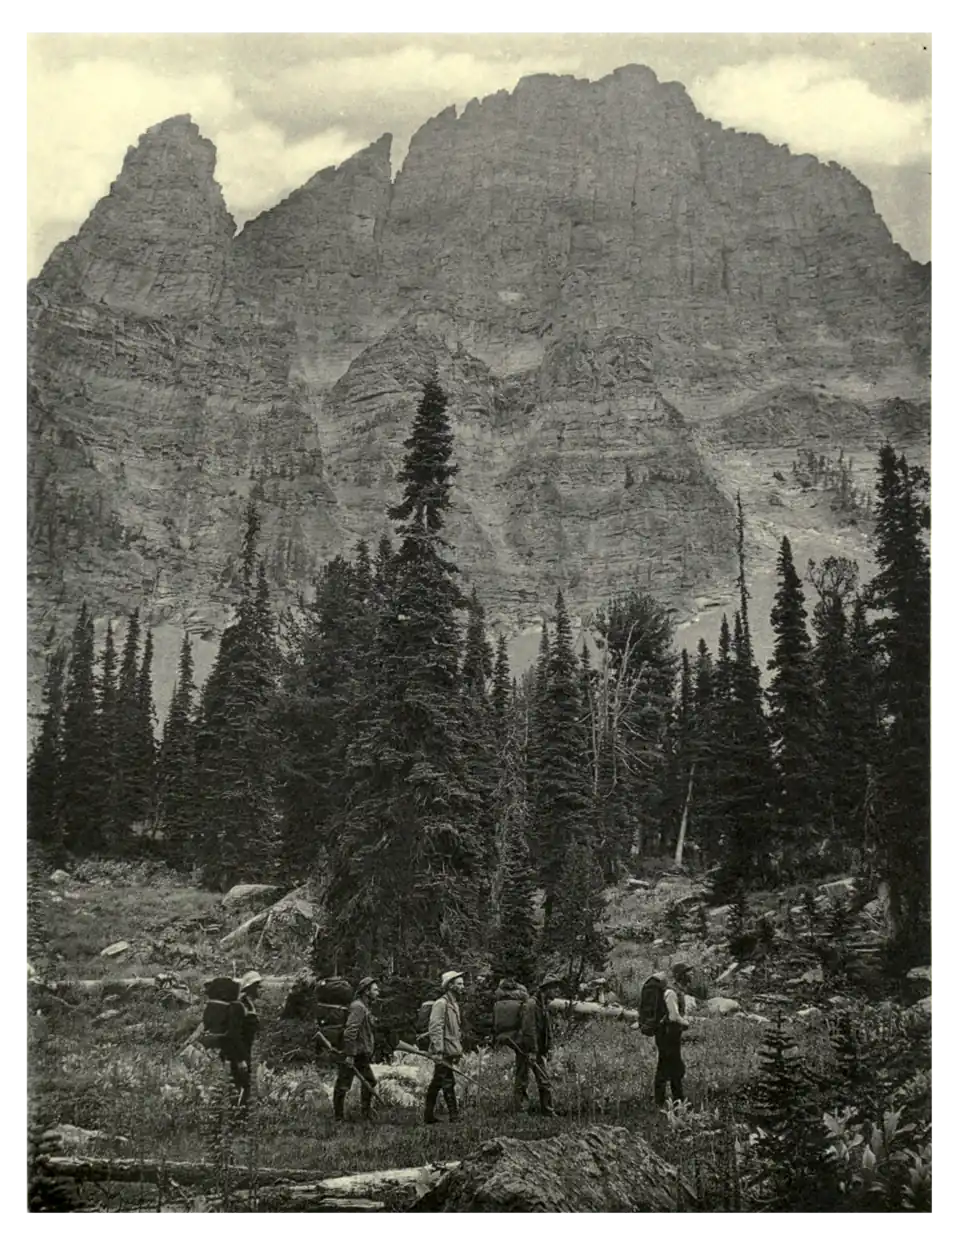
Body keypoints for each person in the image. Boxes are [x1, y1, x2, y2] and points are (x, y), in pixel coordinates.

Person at [333, 976, 380, 1124]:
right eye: (375, 990)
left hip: (360, 1054)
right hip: (353, 1054)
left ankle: (365, 1114)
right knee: (343, 1084)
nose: (378, 992)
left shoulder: (364, 1007)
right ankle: (339, 1117)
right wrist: (350, 1054)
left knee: (369, 1081)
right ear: (366, 991)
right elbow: (350, 1031)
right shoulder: (358, 1007)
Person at [514, 972, 562, 1116]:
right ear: (546, 989)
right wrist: (532, 1051)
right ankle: (521, 1112)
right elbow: (529, 1030)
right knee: (522, 1080)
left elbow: (546, 1030)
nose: (557, 992)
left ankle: (547, 1111)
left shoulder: (543, 1006)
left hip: (538, 1050)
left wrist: (549, 1048)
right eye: (554, 988)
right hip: (526, 1049)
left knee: (544, 1080)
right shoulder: (531, 1005)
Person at [424, 971, 465, 1125]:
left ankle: (428, 1115)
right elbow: (435, 1027)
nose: (463, 987)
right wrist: (439, 1050)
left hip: (449, 1049)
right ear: (450, 985)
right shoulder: (441, 1004)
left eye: (462, 983)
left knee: (439, 1081)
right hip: (443, 1051)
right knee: (446, 1081)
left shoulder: (453, 1004)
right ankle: (454, 1116)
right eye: (459, 984)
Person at [653, 965, 691, 1108]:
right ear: (681, 975)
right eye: (688, 972)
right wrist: (686, 1022)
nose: (691, 975)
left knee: (670, 1066)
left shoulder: (677, 990)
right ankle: (669, 1101)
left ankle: (674, 1100)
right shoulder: (671, 992)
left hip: (671, 1034)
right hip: (667, 1035)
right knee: (669, 1067)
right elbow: (673, 1016)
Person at [224, 970, 262, 1110]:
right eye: (256, 986)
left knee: (246, 1086)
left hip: (247, 1049)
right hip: (239, 1052)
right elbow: (233, 1034)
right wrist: (240, 1059)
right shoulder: (239, 1006)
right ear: (250, 987)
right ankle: (237, 1117)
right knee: (240, 1085)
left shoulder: (249, 1004)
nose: (259, 989)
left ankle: (242, 1118)